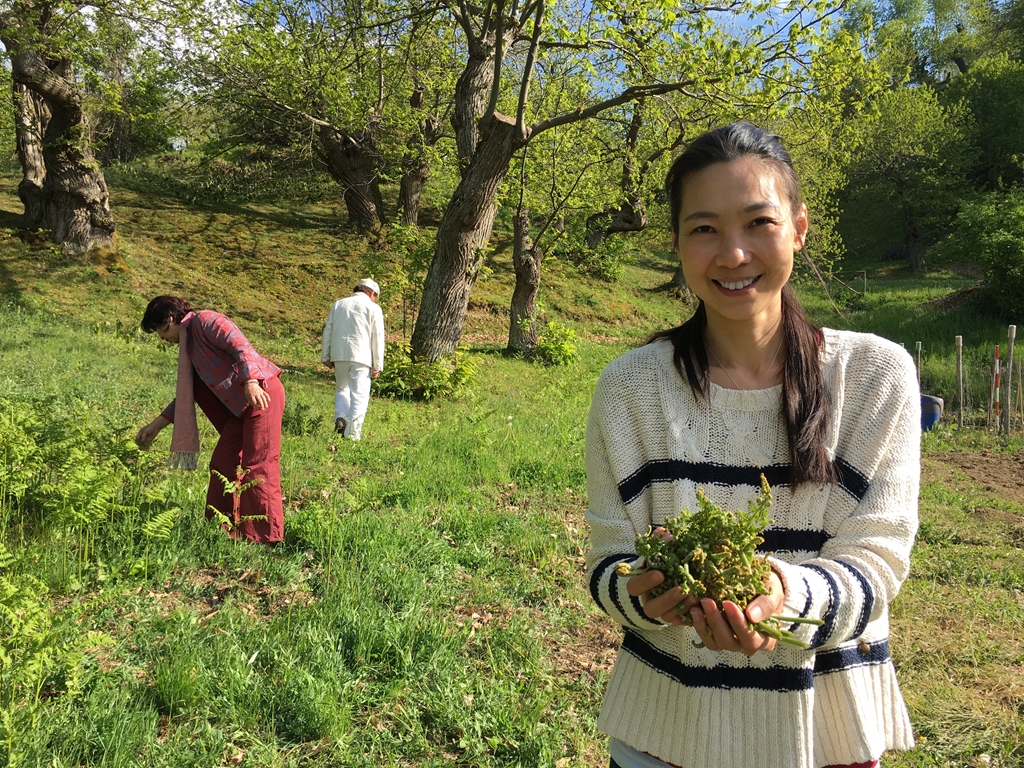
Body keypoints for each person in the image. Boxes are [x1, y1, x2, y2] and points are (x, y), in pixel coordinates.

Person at [585, 123, 919, 768]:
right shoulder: (630, 388)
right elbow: (608, 562)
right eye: (704, 228)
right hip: (667, 733)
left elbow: (877, 563)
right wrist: (646, 594)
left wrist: (784, 598)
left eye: (759, 222)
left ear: (798, 227)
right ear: (678, 245)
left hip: (824, 732)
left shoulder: (874, 376)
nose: (733, 255)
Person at [135, 296, 286, 544]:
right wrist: (155, 427)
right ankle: (221, 527)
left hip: (262, 394)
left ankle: (264, 538)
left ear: (169, 320)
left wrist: (250, 381)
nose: (162, 339)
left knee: (258, 465)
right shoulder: (189, 349)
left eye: (160, 332)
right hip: (239, 409)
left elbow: (241, 346)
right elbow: (188, 394)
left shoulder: (206, 321)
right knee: (222, 465)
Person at [321, 278, 385, 440]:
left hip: (339, 355)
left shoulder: (339, 304)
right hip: (361, 357)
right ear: (372, 293)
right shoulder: (373, 308)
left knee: (342, 388)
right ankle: (352, 433)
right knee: (360, 395)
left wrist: (326, 355)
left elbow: (328, 330)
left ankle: (340, 417)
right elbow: (377, 337)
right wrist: (378, 364)